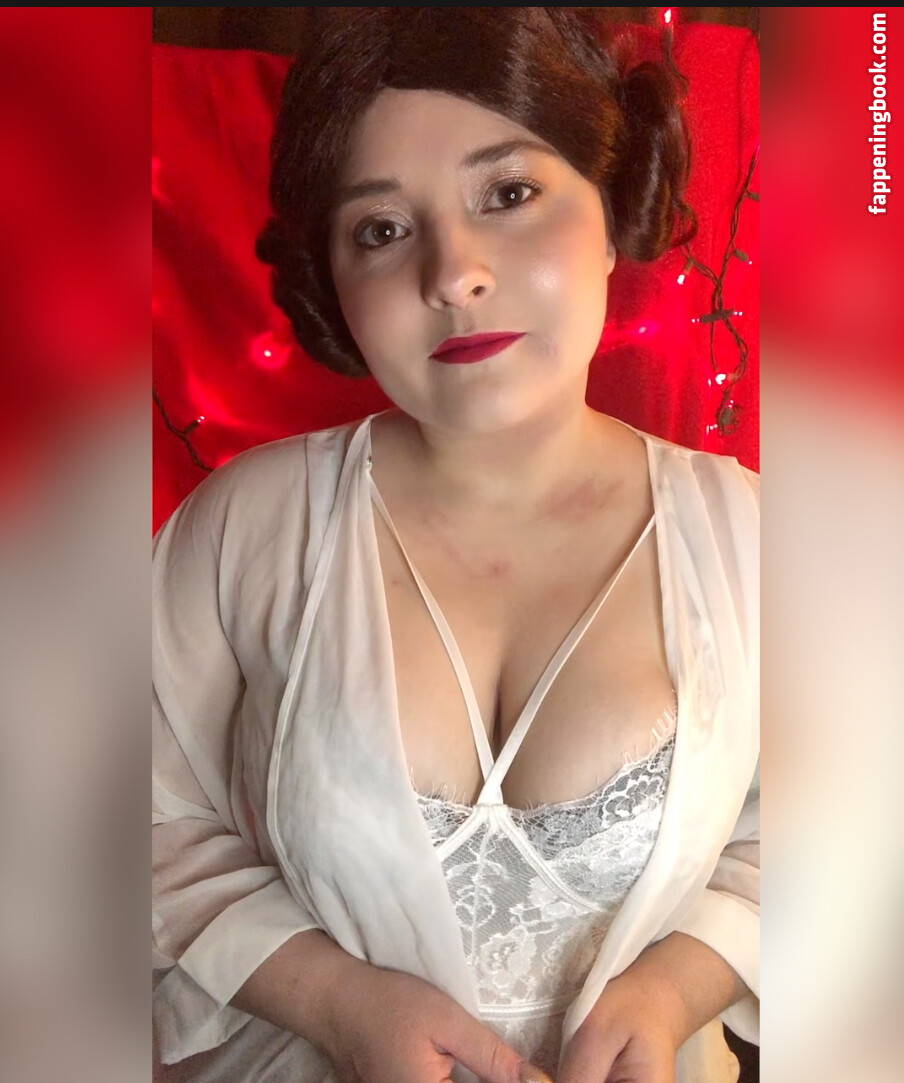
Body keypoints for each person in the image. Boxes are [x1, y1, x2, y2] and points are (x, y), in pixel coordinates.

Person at [152, 9, 759, 1083]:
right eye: (382, 229)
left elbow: (842, 831)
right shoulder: (245, 526)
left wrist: (675, 988)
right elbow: (123, 814)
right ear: (333, 278)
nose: (453, 273)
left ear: (609, 208)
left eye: (509, 193)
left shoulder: (758, 538)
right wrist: (333, 999)